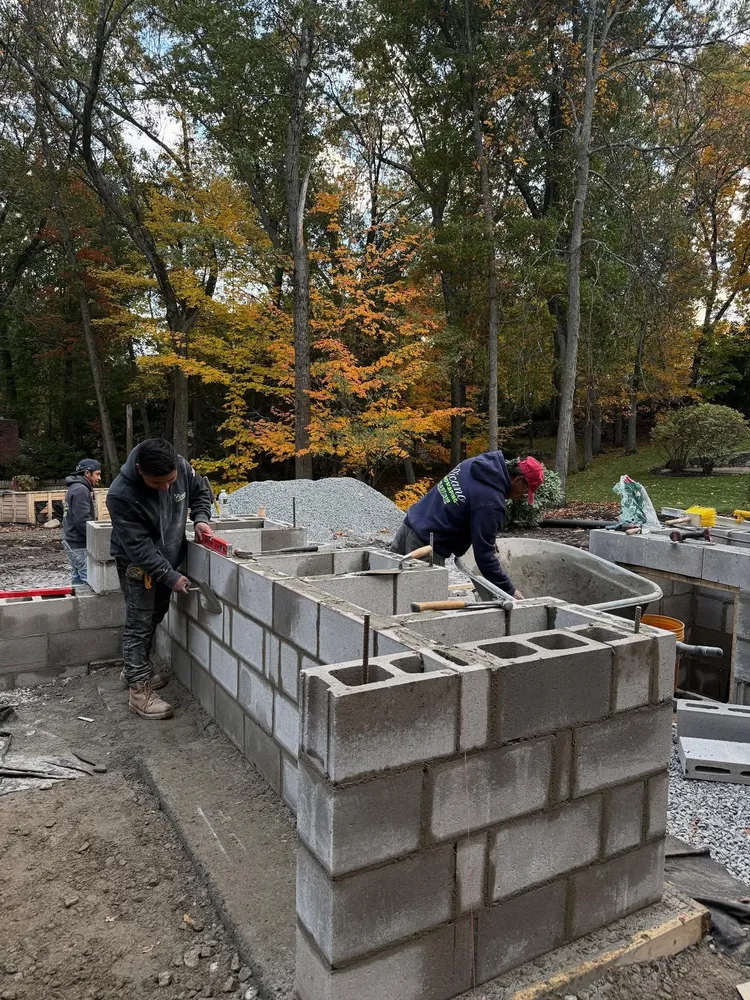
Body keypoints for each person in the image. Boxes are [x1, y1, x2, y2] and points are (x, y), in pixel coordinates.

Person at [107, 438, 214, 721]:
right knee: (139, 623)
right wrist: (168, 575)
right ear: (141, 470)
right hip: (137, 565)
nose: (167, 488)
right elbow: (138, 547)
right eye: (158, 484)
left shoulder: (180, 466)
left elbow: (200, 491)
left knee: (155, 615)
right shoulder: (121, 494)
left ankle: (134, 669)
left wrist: (200, 518)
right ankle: (138, 692)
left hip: (169, 559)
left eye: (171, 481)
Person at [392, 452, 544, 599]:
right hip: (426, 547)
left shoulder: (475, 464)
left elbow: (460, 506)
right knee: (424, 610)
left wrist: (483, 535)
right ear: (517, 479)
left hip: (409, 525)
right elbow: (484, 558)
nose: (520, 497)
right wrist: (509, 591)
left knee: (392, 593)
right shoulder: (491, 503)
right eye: (525, 491)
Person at [62, 458, 102, 587]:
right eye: (97, 474)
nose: (99, 478)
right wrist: (96, 539)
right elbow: (82, 520)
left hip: (72, 541)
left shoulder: (74, 487)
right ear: (87, 473)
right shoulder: (81, 490)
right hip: (79, 543)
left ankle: (76, 606)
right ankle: (88, 607)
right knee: (89, 581)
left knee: (78, 578)